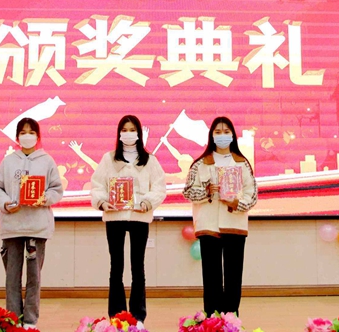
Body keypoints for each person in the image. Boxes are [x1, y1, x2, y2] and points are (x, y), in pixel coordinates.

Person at [90, 115, 167, 329]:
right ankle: (117, 315)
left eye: (132, 129)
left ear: (139, 133)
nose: (128, 133)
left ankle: (138, 316)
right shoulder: (109, 159)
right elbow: (97, 185)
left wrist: (147, 202)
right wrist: (103, 202)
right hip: (115, 217)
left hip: (139, 217)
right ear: (119, 133)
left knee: (137, 267)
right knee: (116, 267)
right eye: (124, 129)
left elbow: (159, 187)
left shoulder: (149, 160)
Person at [0, 117, 64, 329]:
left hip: (37, 227)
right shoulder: (8, 161)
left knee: (34, 278)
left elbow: (56, 189)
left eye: (31, 132)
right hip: (12, 226)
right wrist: (5, 203)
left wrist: (44, 198)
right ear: (17, 137)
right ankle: (13, 319)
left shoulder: (47, 161)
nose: (27, 136)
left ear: (38, 137)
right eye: (23, 132)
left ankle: (30, 321)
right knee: (12, 277)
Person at [182, 116, 258, 317]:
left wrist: (236, 203)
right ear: (211, 135)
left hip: (235, 224)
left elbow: (252, 194)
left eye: (226, 132)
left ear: (232, 135)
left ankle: (231, 319)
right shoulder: (200, 164)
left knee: (233, 275)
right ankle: (212, 319)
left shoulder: (242, 163)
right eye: (218, 132)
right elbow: (188, 191)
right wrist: (206, 192)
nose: (222, 136)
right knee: (211, 275)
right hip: (208, 225)